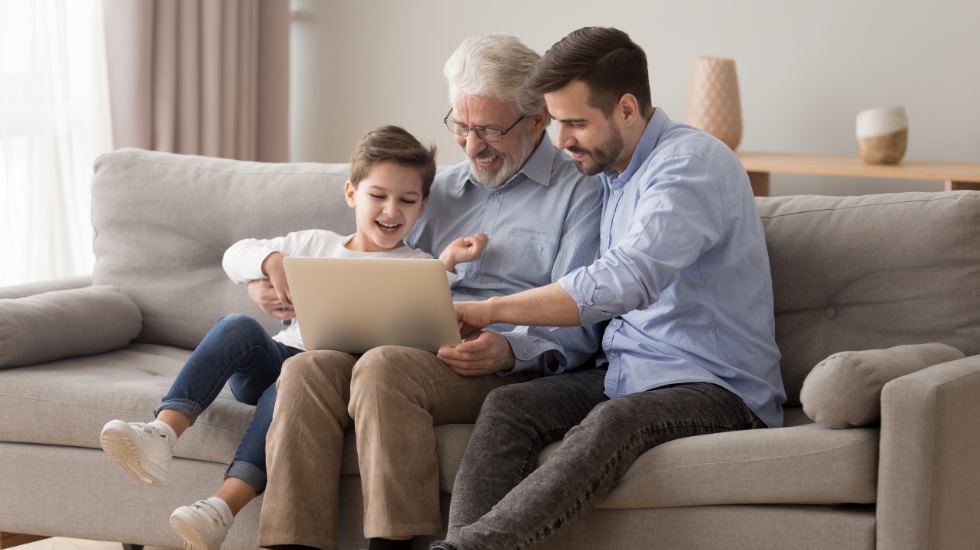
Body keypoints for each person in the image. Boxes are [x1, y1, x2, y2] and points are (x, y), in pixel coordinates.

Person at [430, 27, 787, 550]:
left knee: (615, 422)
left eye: (576, 123)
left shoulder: (688, 167)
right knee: (510, 408)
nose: (561, 140)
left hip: (717, 387)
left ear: (625, 108)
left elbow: (624, 279)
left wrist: (491, 310)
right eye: (555, 122)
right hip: (624, 371)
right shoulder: (611, 174)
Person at [251, 34, 604, 550]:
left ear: (537, 120)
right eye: (460, 125)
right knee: (303, 368)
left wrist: (508, 348)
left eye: (486, 129)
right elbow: (369, 262)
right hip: (404, 344)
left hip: (494, 364)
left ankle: (393, 544)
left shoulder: (580, 194)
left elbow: (584, 317)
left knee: (384, 368)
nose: (470, 144)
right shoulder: (436, 191)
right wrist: (277, 275)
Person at [98, 125, 487, 550]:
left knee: (294, 383)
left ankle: (219, 508)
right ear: (351, 194)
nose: (391, 210)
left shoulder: (418, 264)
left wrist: (447, 262)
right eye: (378, 195)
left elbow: (427, 318)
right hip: (281, 354)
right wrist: (271, 261)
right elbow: (234, 255)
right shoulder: (314, 243)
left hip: (325, 382)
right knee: (236, 326)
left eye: (407, 200)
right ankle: (162, 432)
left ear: (423, 204)